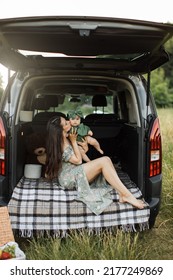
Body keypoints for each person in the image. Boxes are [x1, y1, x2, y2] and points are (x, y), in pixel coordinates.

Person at [45, 116, 145, 215]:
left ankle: (123, 193)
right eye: (66, 123)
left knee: (107, 160)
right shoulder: (62, 144)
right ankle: (126, 195)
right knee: (104, 161)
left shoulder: (68, 137)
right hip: (69, 177)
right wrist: (74, 141)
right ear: (60, 131)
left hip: (75, 171)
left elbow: (81, 153)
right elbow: (78, 161)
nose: (69, 122)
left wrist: (83, 146)